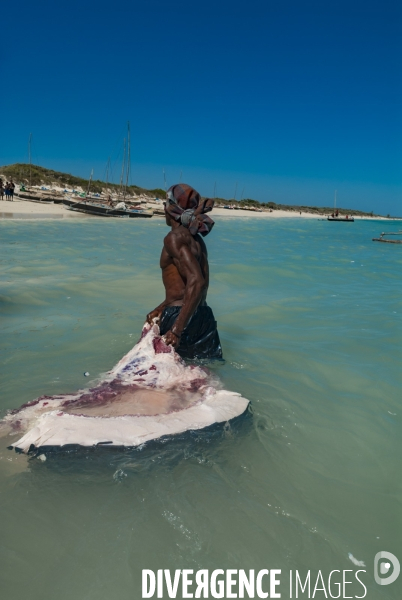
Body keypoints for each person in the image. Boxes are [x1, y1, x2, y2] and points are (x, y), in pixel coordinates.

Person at [146, 183, 222, 360]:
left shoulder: (174, 238)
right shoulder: (197, 241)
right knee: (202, 378)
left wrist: (177, 330)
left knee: (169, 382)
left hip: (180, 317)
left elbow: (196, 282)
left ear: (170, 209)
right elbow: (185, 288)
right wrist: (161, 307)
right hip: (203, 316)